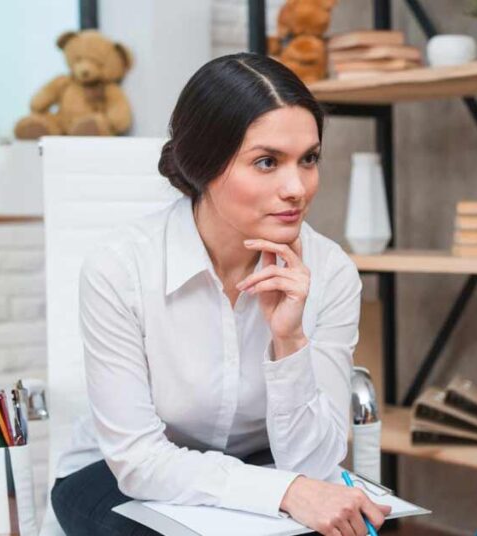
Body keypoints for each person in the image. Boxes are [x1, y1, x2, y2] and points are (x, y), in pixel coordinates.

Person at [50, 53, 391, 536]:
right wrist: (285, 493)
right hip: (117, 478)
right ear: (203, 163)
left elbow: (316, 465)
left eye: (309, 159)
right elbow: (138, 461)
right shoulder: (120, 267)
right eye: (267, 162)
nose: (297, 188)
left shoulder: (330, 271)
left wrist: (289, 340)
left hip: (264, 464)